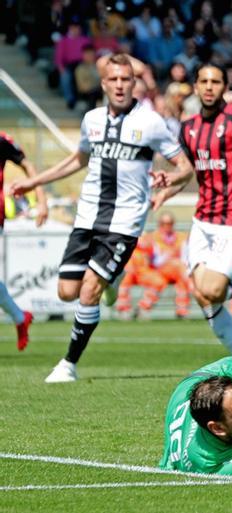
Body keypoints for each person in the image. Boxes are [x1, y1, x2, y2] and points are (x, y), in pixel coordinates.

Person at [10, 53, 193, 382]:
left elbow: (185, 167)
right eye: (114, 80)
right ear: (104, 83)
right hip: (87, 217)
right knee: (67, 292)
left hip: (124, 222)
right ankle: (115, 279)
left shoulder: (151, 122)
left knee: (88, 291)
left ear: (134, 83)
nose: (120, 85)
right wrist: (34, 182)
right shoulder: (91, 119)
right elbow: (77, 159)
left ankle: (68, 364)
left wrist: (171, 181)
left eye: (126, 79)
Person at [153, 62, 232, 358]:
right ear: (196, 87)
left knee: (212, 291)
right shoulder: (188, 128)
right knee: (203, 296)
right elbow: (187, 172)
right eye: (204, 81)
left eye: (215, 82)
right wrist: (169, 186)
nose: (209, 87)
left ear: (225, 87)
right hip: (202, 221)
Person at [0, 132, 48, 351]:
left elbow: (28, 166)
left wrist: (41, 200)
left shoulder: (2, 140)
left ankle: (20, 318)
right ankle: (20, 317)